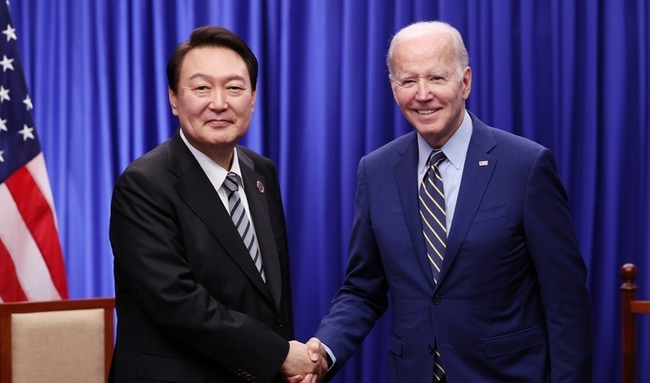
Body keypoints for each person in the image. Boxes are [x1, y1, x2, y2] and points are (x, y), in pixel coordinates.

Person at [307, 21, 593, 382]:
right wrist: (323, 351)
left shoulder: (525, 166)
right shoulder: (376, 170)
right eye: (408, 81)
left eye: (436, 78)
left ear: (465, 82)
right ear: (393, 88)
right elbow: (363, 289)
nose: (422, 94)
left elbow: (566, 301)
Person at [109, 25, 325, 383]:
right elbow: (176, 302)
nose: (219, 103)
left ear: (253, 98)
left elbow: (270, 296)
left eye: (234, 88)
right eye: (201, 88)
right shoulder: (144, 184)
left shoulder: (260, 171)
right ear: (174, 99)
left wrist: (284, 365)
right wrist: (279, 355)